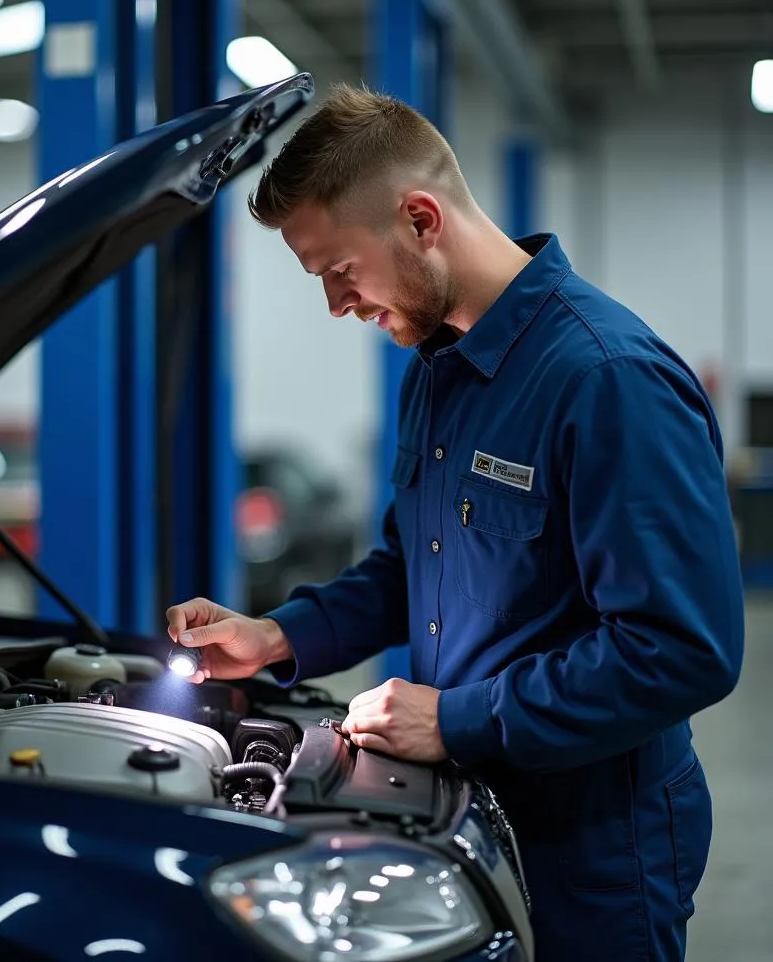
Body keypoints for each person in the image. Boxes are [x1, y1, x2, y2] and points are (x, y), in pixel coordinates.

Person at [166, 84, 744, 961]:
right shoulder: (436, 369)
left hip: (593, 840)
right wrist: (277, 636)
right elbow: (412, 568)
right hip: (472, 812)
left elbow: (680, 648)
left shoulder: (605, 379)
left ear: (421, 219)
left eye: (338, 271)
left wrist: (457, 720)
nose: (336, 305)